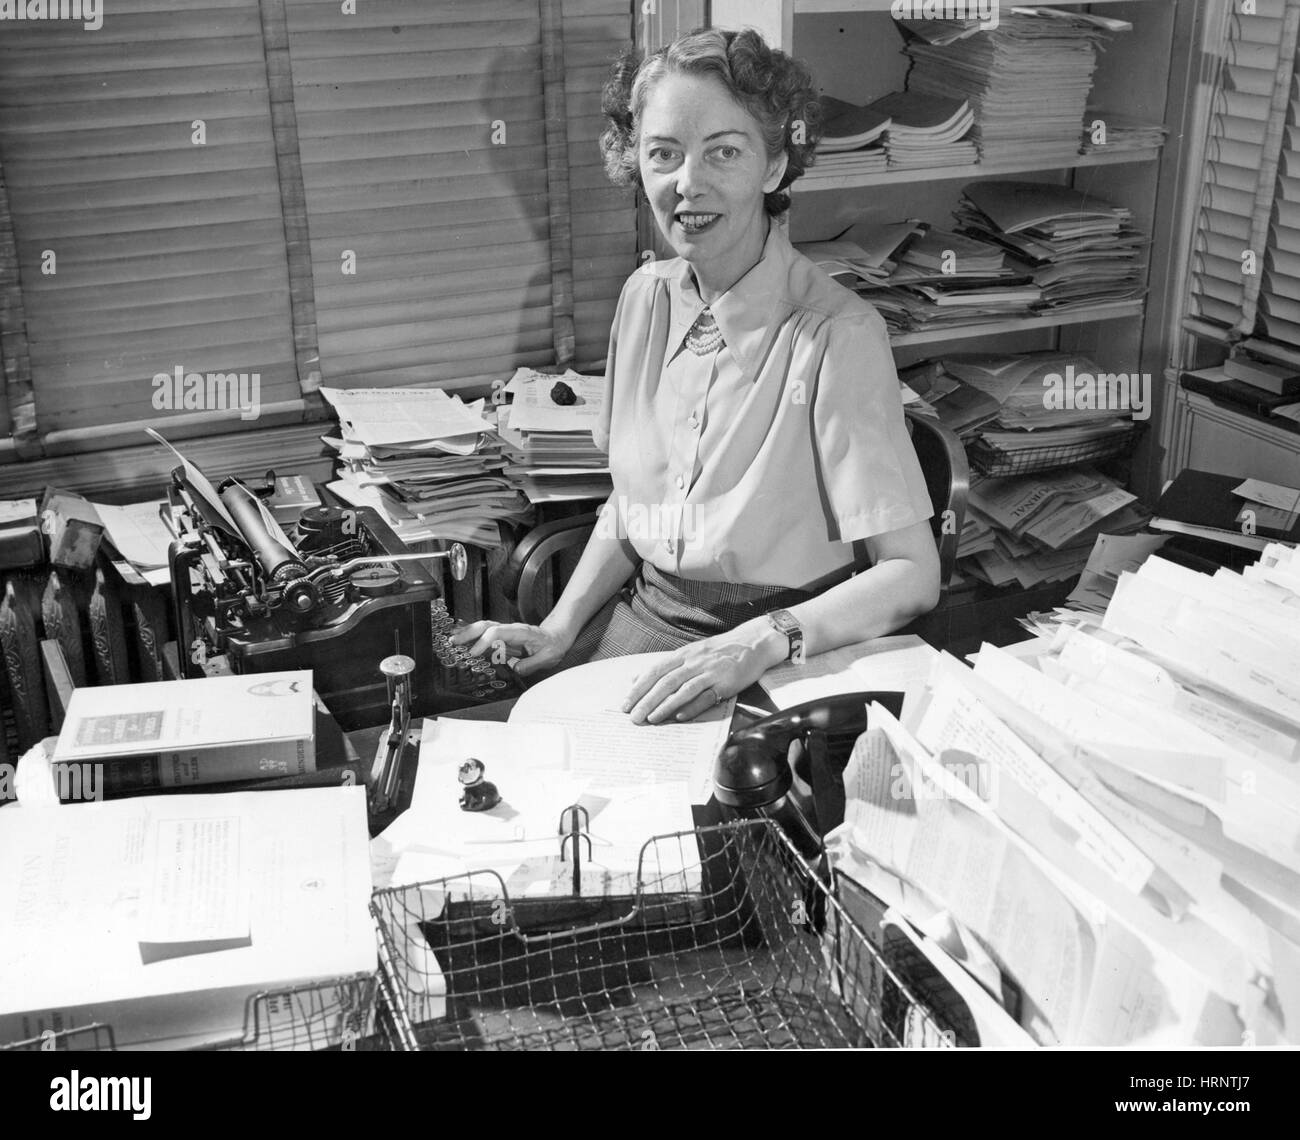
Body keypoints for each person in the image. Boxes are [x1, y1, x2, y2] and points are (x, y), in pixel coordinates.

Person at [455, 27, 939, 726]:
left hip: (783, 651)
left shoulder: (838, 335)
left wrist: (761, 640)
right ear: (636, 165)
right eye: (664, 154)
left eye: (725, 151)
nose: (689, 183)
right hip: (648, 628)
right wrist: (558, 630)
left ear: (775, 165)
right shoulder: (643, 300)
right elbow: (632, 509)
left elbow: (912, 576)